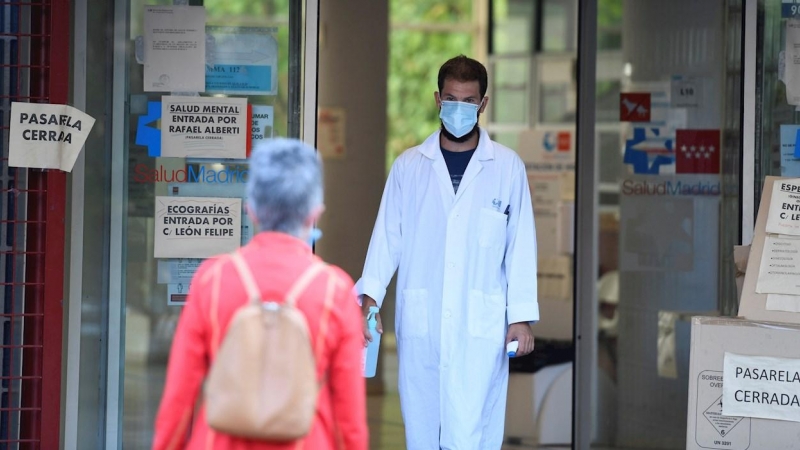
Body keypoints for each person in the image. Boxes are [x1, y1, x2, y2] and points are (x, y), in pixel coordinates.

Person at [356, 55, 539, 450]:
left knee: (473, 431)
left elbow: (520, 246)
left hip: (481, 327)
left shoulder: (507, 168)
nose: (459, 109)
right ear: (438, 100)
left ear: (483, 105)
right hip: (423, 323)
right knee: (422, 430)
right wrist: (369, 302)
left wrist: (521, 318)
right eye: (452, 100)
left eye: (469, 101)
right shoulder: (409, 167)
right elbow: (387, 239)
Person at [152, 139, 368, 450]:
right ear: (314, 212)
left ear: (251, 209)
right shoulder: (335, 290)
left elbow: (179, 398)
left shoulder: (212, 280)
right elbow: (350, 420)